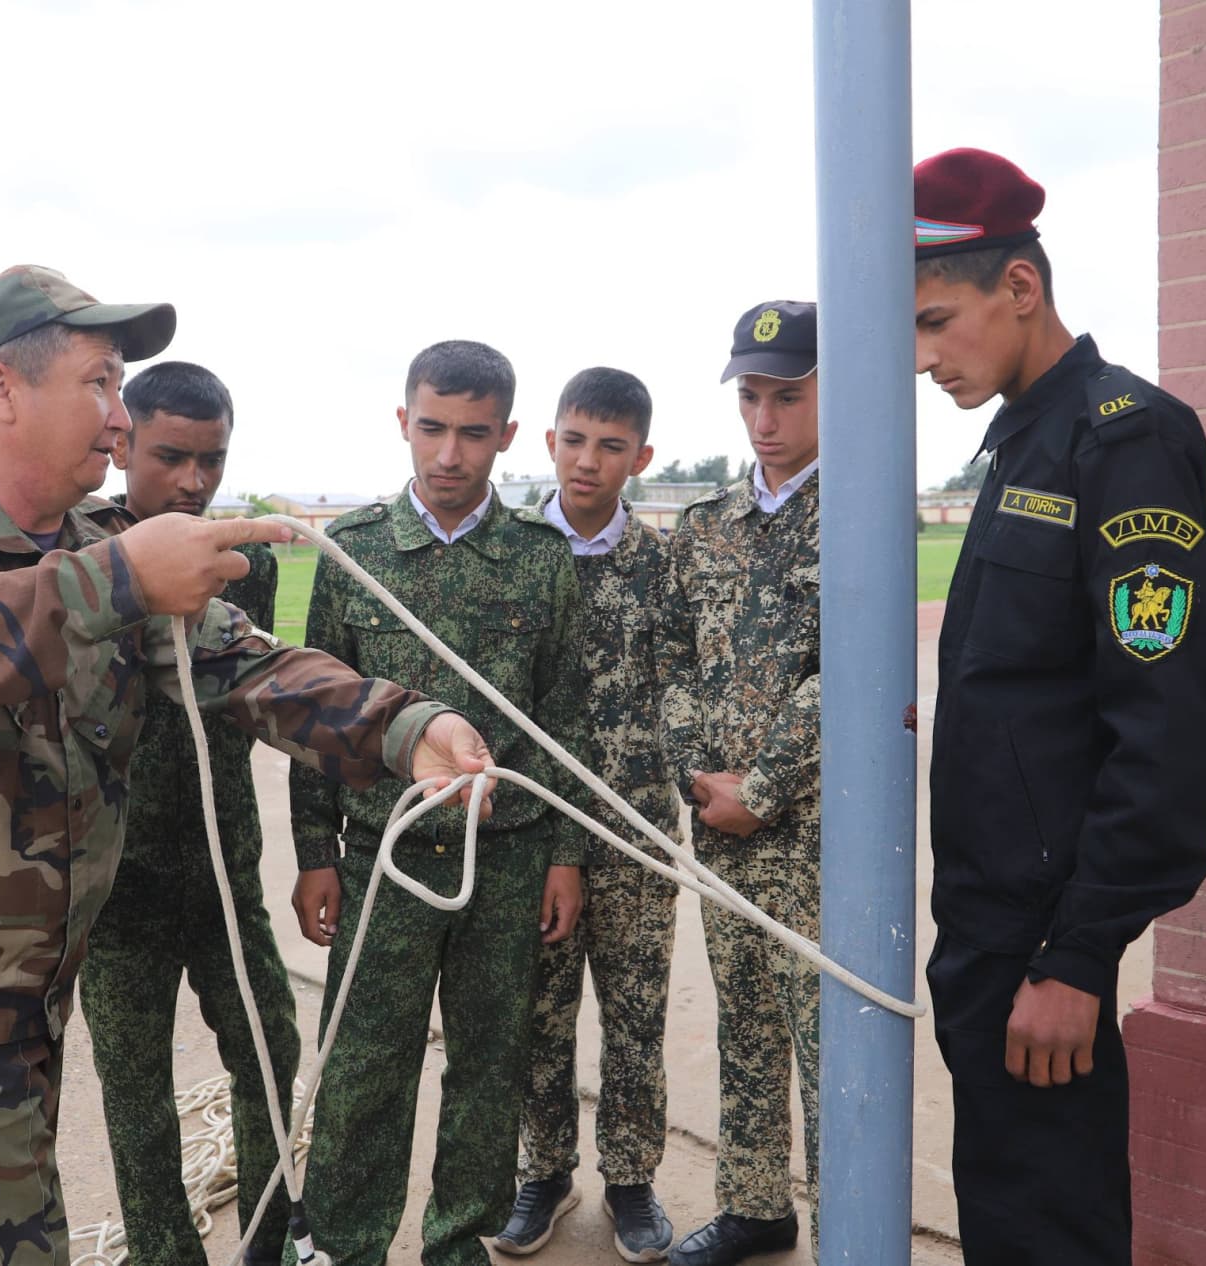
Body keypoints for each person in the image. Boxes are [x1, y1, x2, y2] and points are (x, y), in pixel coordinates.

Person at [0, 265, 495, 1266]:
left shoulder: (85, 546)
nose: (119, 421)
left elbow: (244, 664)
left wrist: (406, 726)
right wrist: (114, 580)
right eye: (101, 384)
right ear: (2, 391)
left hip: (17, 1014)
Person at [915, 148, 1206, 1264]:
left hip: (1043, 933)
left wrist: (1079, 958)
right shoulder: (1022, 441)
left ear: (1019, 288)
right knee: (1010, 1207)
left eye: (935, 320)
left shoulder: (1122, 436)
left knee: (1047, 1223)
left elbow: (1166, 717)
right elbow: (1032, 672)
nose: (922, 358)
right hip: (990, 915)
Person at [288, 339, 587, 1266]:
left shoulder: (543, 560)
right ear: (403, 421)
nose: (448, 455)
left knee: (490, 1070)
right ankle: (343, 1245)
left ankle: (459, 1244)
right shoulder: (357, 553)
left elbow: (564, 720)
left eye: (470, 434)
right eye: (431, 429)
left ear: (504, 435)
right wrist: (313, 852)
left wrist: (566, 854)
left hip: (505, 859)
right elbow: (316, 716)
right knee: (365, 1065)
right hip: (383, 857)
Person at [76, 359, 301, 1266]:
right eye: (172, 456)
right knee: (135, 1091)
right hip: (116, 885)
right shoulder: (81, 563)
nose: (195, 481)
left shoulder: (248, 564)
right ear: (123, 442)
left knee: (271, 1057)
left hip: (222, 866)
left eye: (212, 459)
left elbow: (257, 697)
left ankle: (272, 1241)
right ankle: (167, 1254)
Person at [497, 367, 679, 1262]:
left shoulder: (664, 566)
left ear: (640, 457)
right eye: (574, 441)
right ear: (549, 441)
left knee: (637, 1014)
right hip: (535, 832)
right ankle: (543, 1173)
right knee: (540, 1013)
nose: (587, 461)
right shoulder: (515, 553)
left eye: (610, 447)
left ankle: (633, 1180)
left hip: (637, 832)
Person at [659, 301, 821, 1266]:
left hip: (814, 831)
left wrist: (763, 785)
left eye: (787, 396)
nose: (764, 419)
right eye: (751, 397)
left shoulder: (859, 514)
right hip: (719, 825)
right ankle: (758, 1205)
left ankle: (854, 1218)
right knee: (746, 1019)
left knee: (828, 1034)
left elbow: (848, 673)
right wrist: (697, 778)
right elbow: (673, 662)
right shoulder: (706, 526)